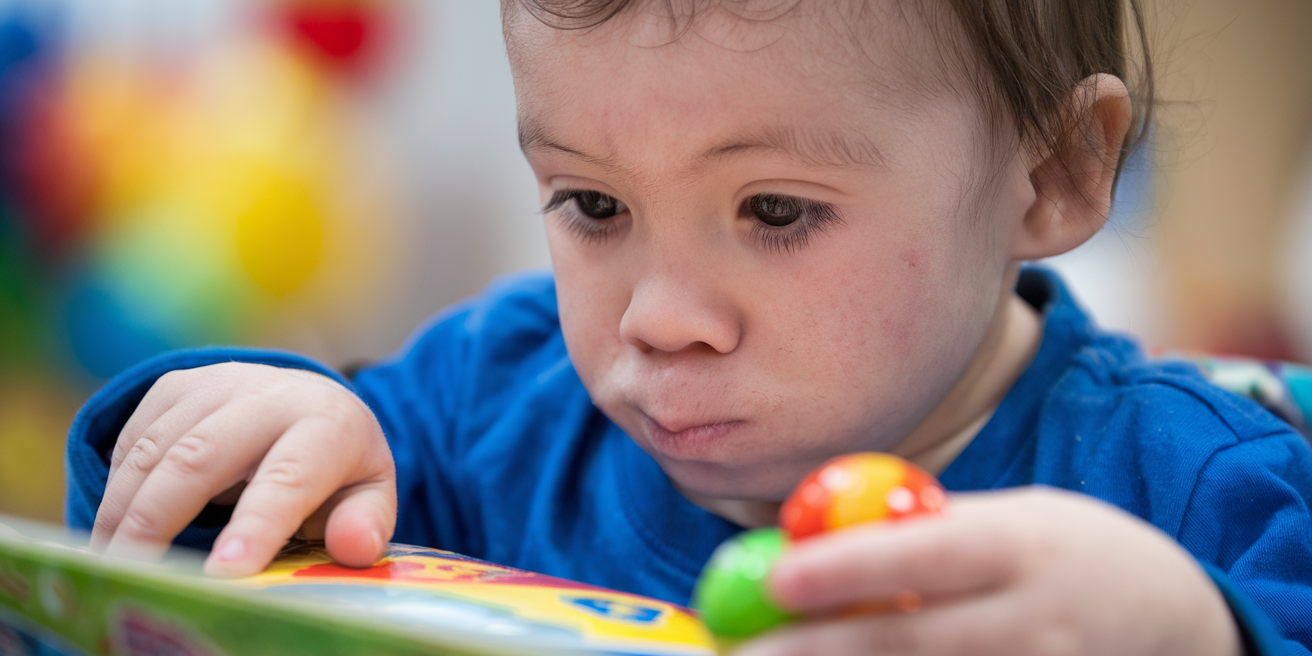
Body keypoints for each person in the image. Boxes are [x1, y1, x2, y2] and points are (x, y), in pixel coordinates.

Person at [65, 1, 1312, 654]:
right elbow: (172, 574)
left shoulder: (1196, 492)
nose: (657, 318)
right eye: (594, 203)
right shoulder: (482, 403)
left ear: (1047, 175)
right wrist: (258, 436)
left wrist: (1199, 637)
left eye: (773, 208)